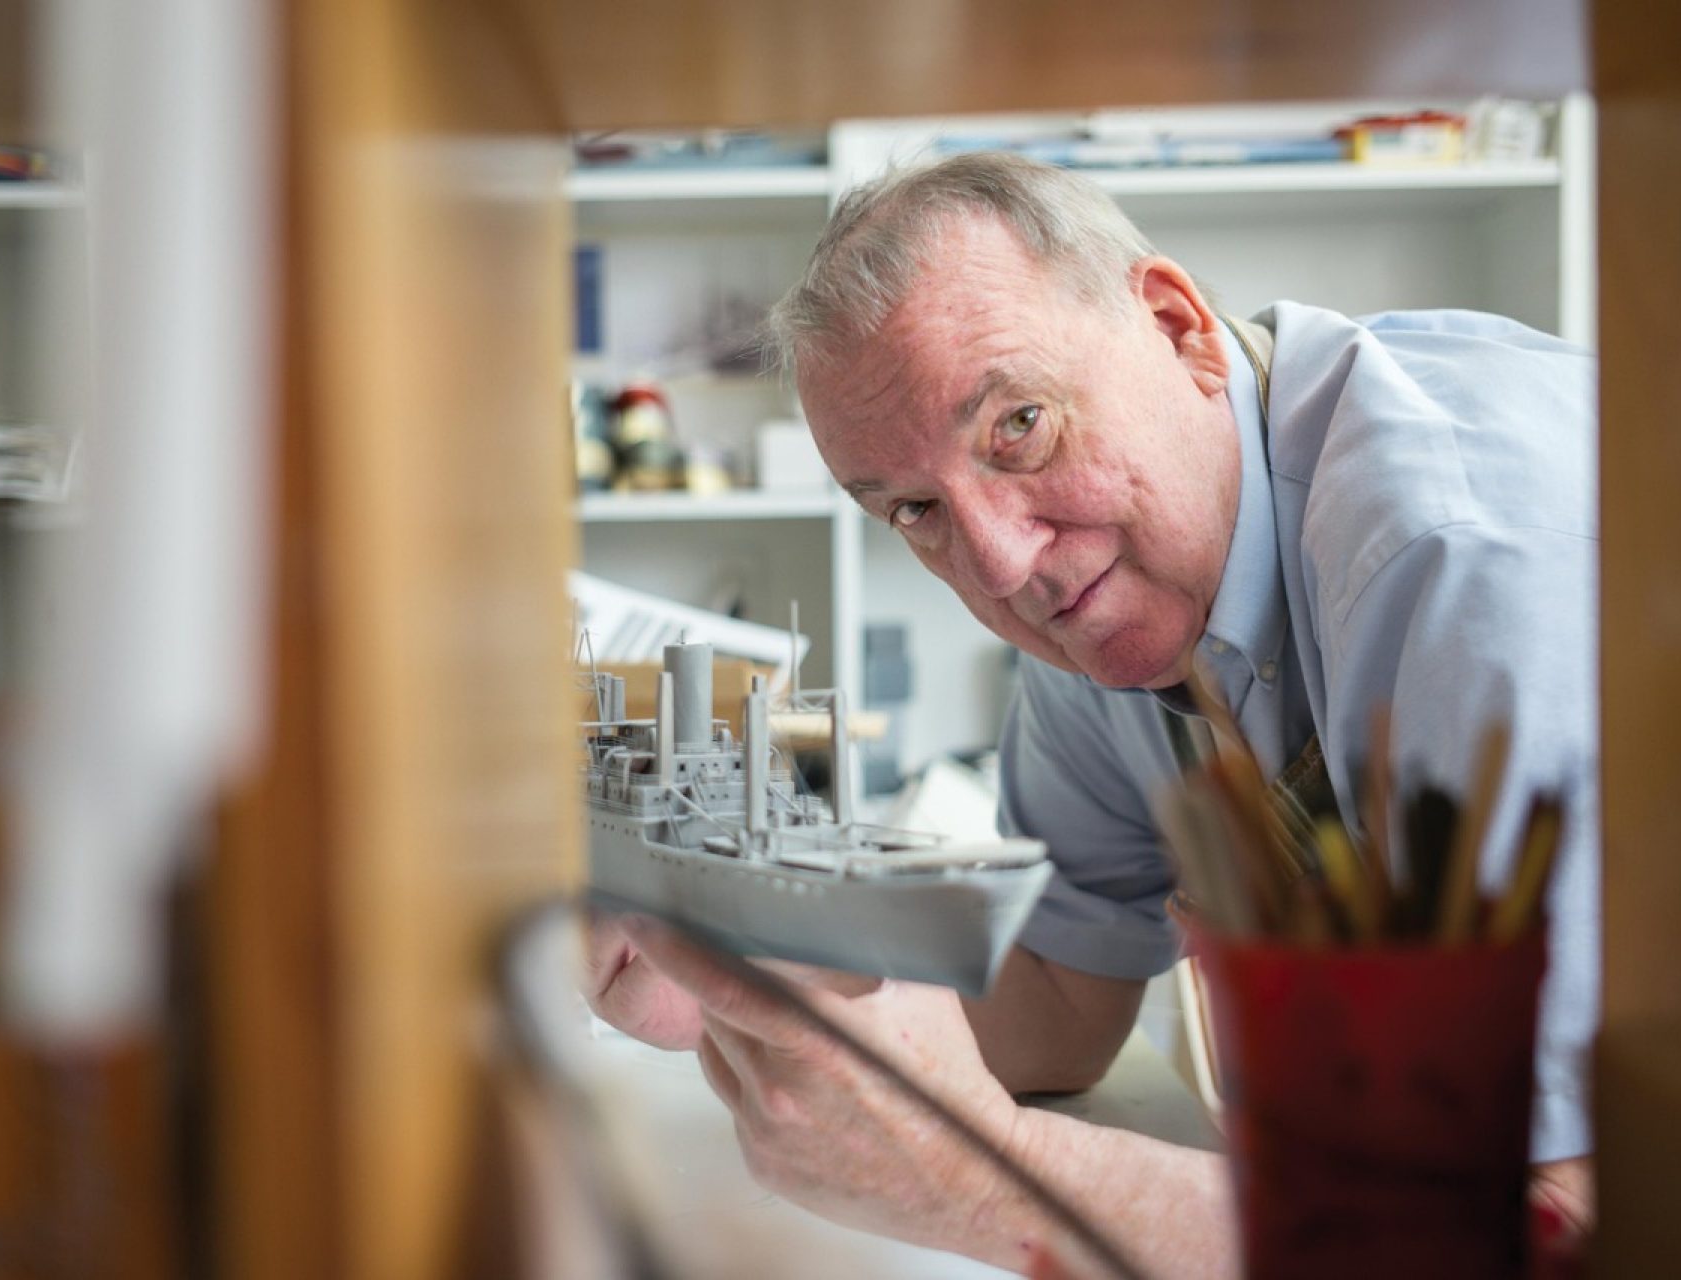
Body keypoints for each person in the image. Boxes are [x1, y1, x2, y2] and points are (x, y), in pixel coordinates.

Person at [585, 151, 1598, 1274]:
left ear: (1177, 327)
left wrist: (988, 1178)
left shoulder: (1461, 565)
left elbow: (1566, 1234)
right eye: (916, 509)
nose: (1001, 561)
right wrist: (744, 977)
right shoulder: (1105, 620)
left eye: (1019, 425)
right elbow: (1061, 996)